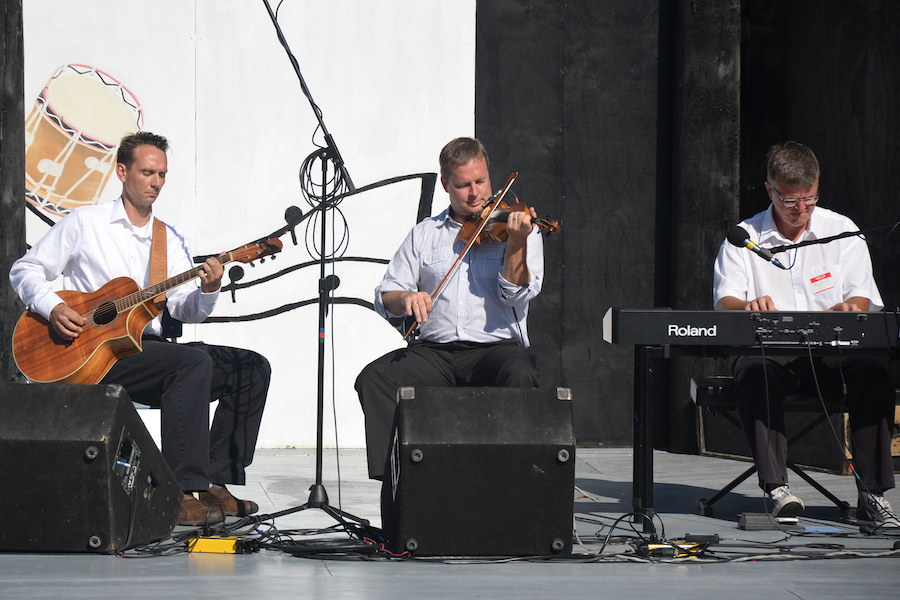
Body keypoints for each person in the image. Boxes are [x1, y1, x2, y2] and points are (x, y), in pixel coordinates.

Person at [10, 131, 270, 526]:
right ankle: (181, 491)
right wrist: (54, 307)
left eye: (162, 174)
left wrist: (210, 288)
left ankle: (216, 481)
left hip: (145, 351)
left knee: (250, 367)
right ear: (121, 171)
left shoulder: (169, 238)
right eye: (148, 172)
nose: (156, 183)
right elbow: (24, 269)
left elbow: (184, 308)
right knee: (190, 364)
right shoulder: (86, 223)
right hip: (92, 355)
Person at [713, 141, 898, 530]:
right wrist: (746, 307)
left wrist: (850, 310)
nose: (801, 210)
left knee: (873, 376)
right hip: (773, 351)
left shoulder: (842, 230)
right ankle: (777, 488)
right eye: (790, 201)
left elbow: (862, 297)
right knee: (753, 371)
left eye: (809, 200)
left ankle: (873, 495)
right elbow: (724, 302)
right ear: (770, 190)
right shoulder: (744, 238)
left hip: (832, 351)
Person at [355, 137, 543, 480]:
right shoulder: (424, 234)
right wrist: (407, 299)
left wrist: (516, 243)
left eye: (481, 181)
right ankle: (398, 484)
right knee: (374, 379)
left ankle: (509, 480)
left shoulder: (518, 228)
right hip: (435, 353)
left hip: (495, 350)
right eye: (463, 185)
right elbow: (386, 294)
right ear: (445, 184)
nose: (475, 193)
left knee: (520, 373)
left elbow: (516, 296)